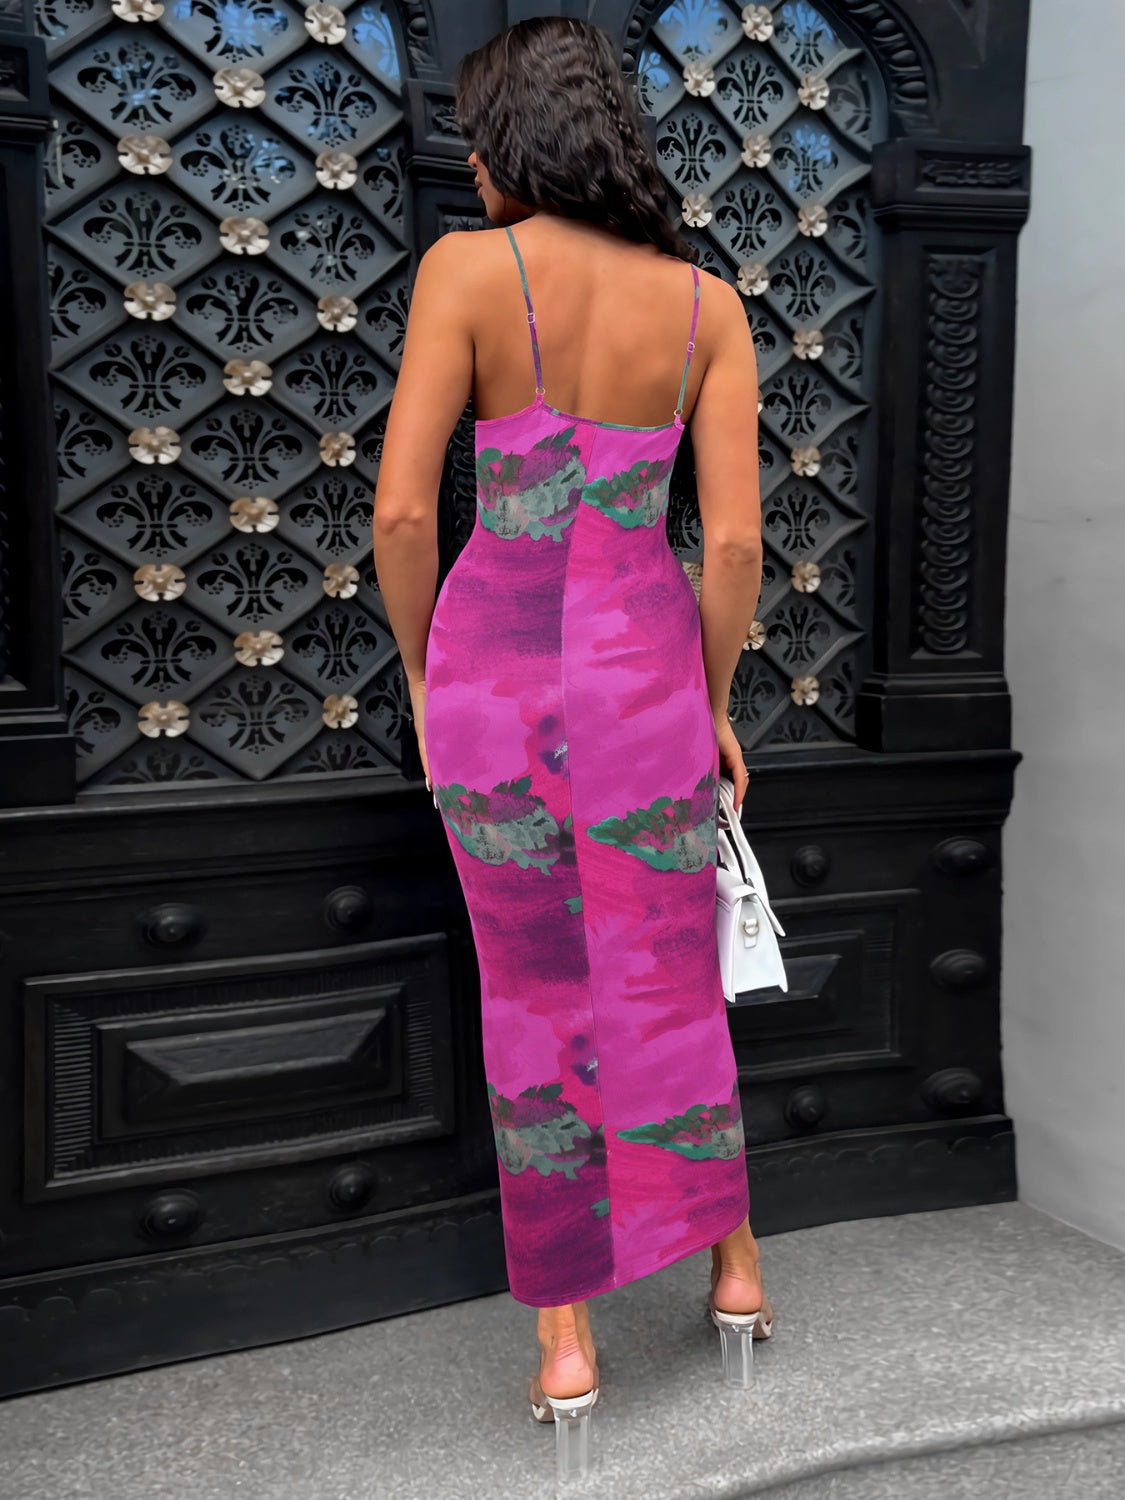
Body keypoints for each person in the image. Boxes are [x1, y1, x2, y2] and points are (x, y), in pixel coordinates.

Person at [372, 16, 769, 1476]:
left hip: (498, 676)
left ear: (508, 142)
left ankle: (566, 1344)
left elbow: (404, 512)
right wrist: (708, 703)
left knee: (536, 993)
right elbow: (734, 545)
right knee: (669, 976)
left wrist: (424, 675)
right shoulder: (706, 307)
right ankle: (734, 1271)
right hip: (644, 678)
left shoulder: (469, 271)